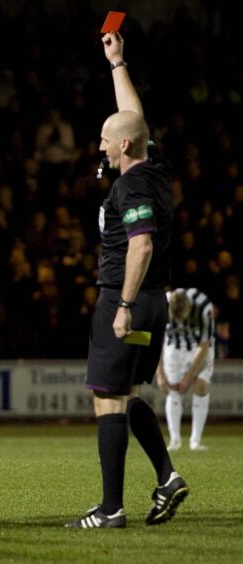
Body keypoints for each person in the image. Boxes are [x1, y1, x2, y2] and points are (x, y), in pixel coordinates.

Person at [66, 32, 189, 529]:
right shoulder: (154, 167)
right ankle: (167, 476)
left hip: (128, 297)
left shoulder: (131, 183)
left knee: (106, 399)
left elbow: (140, 244)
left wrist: (122, 305)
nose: (97, 145)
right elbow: (135, 120)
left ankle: (111, 508)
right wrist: (117, 63)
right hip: (156, 302)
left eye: (102, 138)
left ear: (121, 146)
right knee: (130, 394)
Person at [157, 288, 215, 451]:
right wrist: (160, 374)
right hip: (173, 348)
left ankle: (195, 441)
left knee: (201, 385)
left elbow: (205, 345)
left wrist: (189, 376)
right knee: (173, 389)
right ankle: (175, 440)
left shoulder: (204, 306)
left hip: (198, 347)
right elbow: (154, 341)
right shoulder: (161, 304)